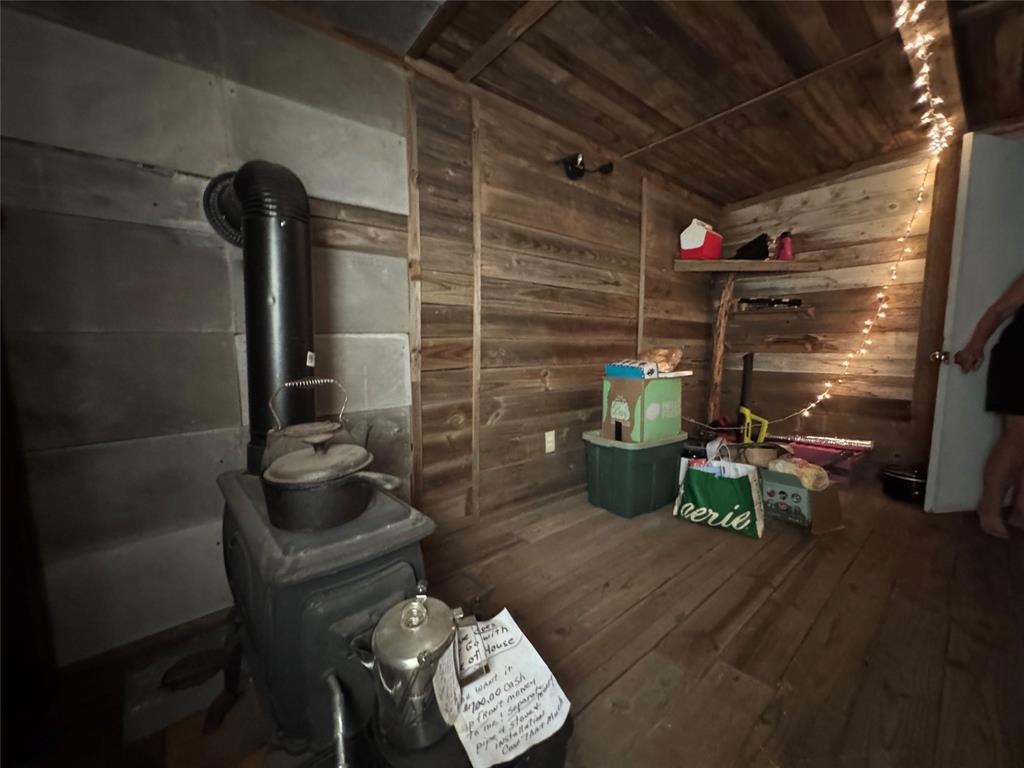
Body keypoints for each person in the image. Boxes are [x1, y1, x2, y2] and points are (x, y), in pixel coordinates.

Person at [954, 273, 1024, 538]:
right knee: (1018, 436)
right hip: (1020, 357)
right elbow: (999, 310)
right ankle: (990, 509)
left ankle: (1020, 511)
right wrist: (975, 345)